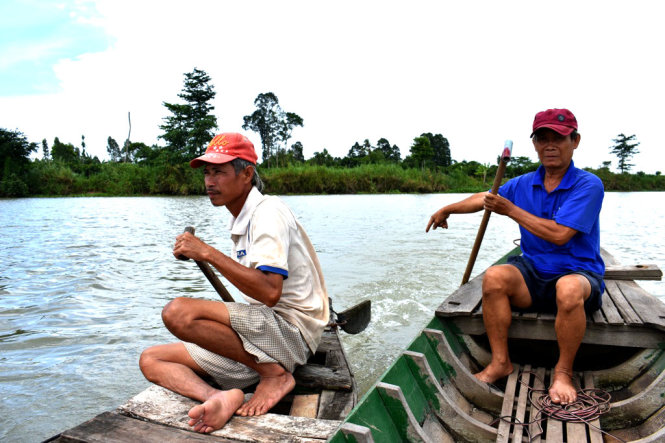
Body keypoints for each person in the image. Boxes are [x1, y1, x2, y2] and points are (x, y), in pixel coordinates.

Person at [139, 132, 330, 433]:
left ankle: (272, 374)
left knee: (178, 312)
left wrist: (206, 252)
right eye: (207, 172)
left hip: (291, 331)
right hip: (266, 336)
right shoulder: (241, 219)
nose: (209, 181)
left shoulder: (268, 212)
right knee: (151, 359)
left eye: (219, 171)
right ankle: (218, 397)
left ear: (247, 175)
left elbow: (269, 291)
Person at [426, 108, 605, 405]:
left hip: (578, 274)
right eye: (542, 138)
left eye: (559, 138)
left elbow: (560, 234)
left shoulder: (588, 185)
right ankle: (500, 362)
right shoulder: (523, 183)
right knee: (495, 276)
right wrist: (448, 209)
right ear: (534, 143)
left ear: (575, 141)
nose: (550, 145)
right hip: (533, 273)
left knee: (569, 288)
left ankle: (563, 372)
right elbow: (485, 198)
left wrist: (510, 210)